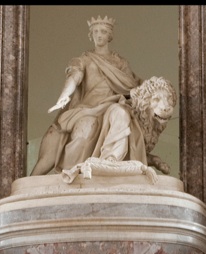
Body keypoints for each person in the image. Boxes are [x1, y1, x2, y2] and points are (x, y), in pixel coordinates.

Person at [30, 16, 174, 177]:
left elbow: (135, 84)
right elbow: (74, 77)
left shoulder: (120, 63)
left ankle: (110, 161)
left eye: (103, 32)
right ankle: (74, 171)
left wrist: (157, 89)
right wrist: (64, 95)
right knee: (86, 127)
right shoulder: (83, 60)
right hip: (88, 109)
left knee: (121, 113)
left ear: (109, 36)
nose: (99, 35)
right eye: (96, 32)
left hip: (112, 106)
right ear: (91, 35)